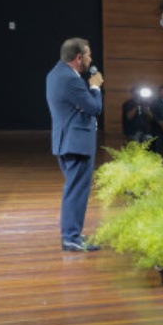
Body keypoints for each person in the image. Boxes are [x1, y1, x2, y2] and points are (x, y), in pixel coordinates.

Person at [46, 37, 104, 252]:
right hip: (75, 143)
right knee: (76, 191)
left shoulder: (55, 74)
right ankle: (70, 237)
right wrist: (95, 88)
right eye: (88, 55)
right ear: (79, 58)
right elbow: (94, 108)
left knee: (74, 189)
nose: (91, 59)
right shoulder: (71, 79)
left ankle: (73, 234)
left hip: (66, 141)